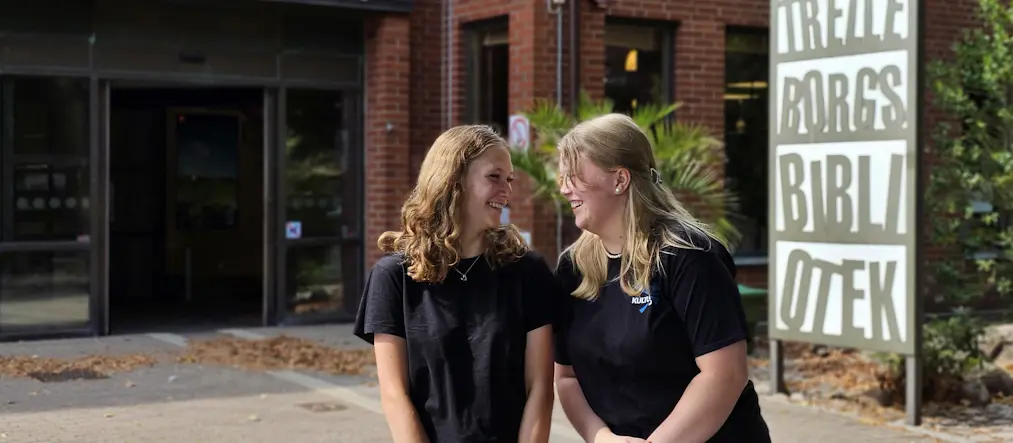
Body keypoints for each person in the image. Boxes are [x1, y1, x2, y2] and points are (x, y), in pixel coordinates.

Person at [551, 113, 771, 443]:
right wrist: (601, 437)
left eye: (574, 176)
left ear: (620, 180)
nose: (565, 188)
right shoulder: (573, 268)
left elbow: (725, 374)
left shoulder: (689, 255)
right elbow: (566, 376)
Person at [353, 125, 556, 443]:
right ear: (454, 180)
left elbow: (540, 388)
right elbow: (394, 395)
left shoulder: (528, 273)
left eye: (510, 179)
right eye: (494, 176)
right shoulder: (393, 277)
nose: (507, 190)